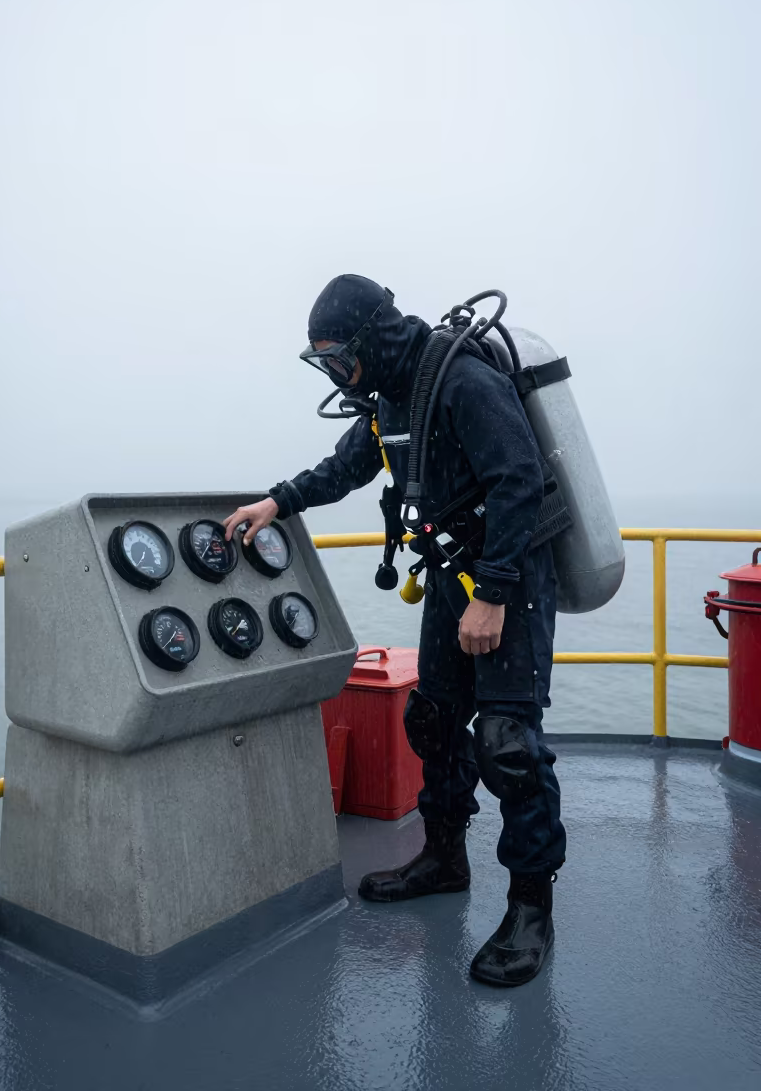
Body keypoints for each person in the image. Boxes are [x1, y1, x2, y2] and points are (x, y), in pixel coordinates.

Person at [224, 274, 567, 987]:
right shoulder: (391, 398)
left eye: (340, 358)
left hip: (509, 577)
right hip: (451, 573)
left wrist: (493, 595)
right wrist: (278, 502)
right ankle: (444, 858)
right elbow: (346, 467)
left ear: (372, 339)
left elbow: (519, 481)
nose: (337, 373)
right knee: (433, 720)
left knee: (508, 744)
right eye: (325, 363)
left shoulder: (462, 380)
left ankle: (532, 911)